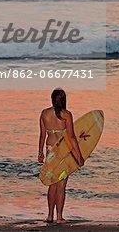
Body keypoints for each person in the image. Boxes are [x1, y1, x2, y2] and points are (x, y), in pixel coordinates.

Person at [38, 88, 84, 224]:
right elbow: (71, 137)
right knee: (61, 185)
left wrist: (40, 153)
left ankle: (49, 215)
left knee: (52, 183)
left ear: (52, 99)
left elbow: (42, 136)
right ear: (64, 100)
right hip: (64, 151)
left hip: (50, 150)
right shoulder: (66, 114)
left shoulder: (44, 113)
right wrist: (79, 156)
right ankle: (59, 217)